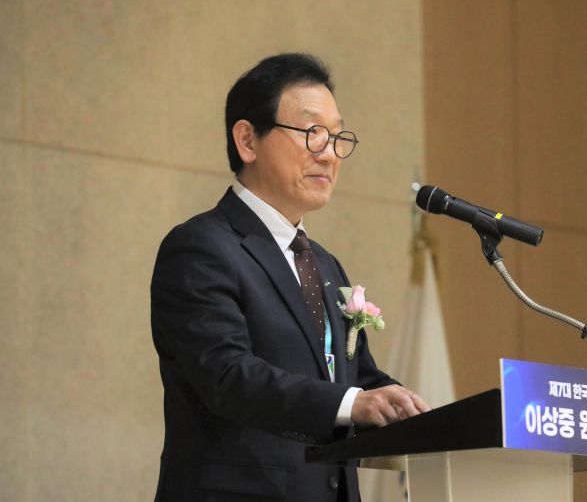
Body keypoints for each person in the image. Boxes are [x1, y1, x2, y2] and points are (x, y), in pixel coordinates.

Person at [150, 53, 430, 502]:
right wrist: (352, 403)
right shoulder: (201, 248)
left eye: (337, 136)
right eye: (311, 132)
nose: (329, 153)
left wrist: (406, 407)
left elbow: (355, 379)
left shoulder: (325, 264)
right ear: (248, 140)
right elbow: (227, 376)